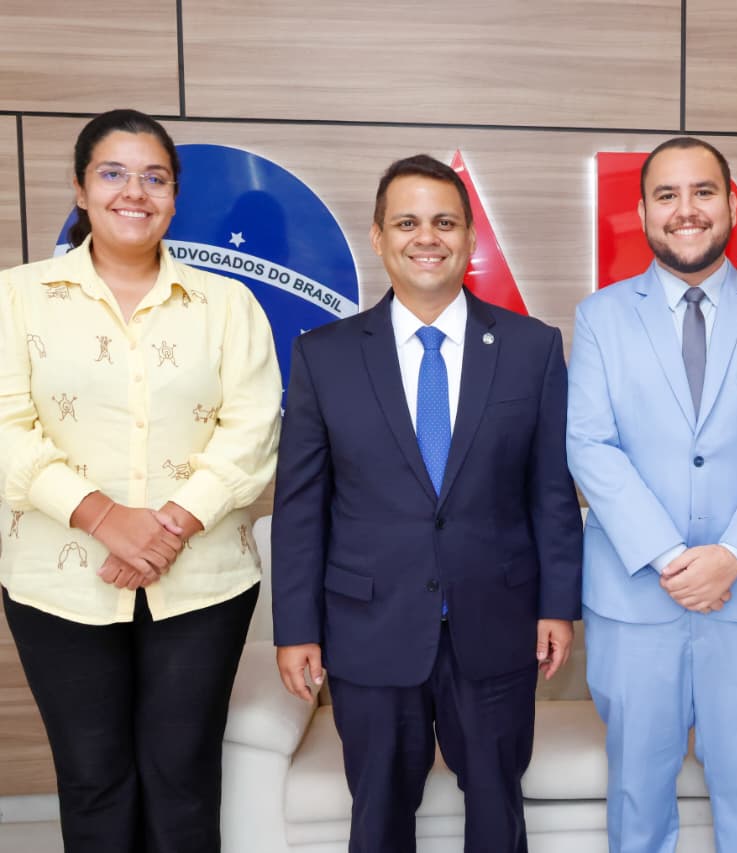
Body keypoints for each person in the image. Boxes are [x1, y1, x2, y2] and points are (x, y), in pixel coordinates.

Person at [271, 154, 583, 853]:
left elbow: (552, 493)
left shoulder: (531, 348)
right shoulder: (324, 355)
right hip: (369, 629)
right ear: (378, 237)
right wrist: (296, 627)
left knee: (498, 812)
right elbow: (300, 507)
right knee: (379, 816)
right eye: (406, 222)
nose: (427, 237)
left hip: (498, 623)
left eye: (444, 222)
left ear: (470, 238)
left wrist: (557, 604)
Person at [0, 108, 281, 853]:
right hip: (59, 581)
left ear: (174, 197)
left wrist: (167, 527)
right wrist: (103, 517)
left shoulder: (227, 305)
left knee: (182, 776)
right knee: (93, 778)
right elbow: (5, 429)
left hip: (203, 581)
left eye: (155, 177)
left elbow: (254, 430)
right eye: (113, 173)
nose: (135, 191)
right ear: (80, 189)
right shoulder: (16, 297)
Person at [566, 136, 737, 853]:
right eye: (667, 195)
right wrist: (671, 557)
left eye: (703, 192)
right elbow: (590, 444)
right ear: (644, 211)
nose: (687, 210)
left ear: (730, 204)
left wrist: (732, 555)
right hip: (635, 596)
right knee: (638, 796)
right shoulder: (600, 317)